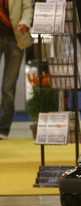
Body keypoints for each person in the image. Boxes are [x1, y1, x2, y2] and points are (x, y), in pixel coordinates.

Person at [0, 0, 33, 139]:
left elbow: (28, 8)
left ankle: (3, 128)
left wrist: (25, 22)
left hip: (16, 39)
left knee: (8, 87)